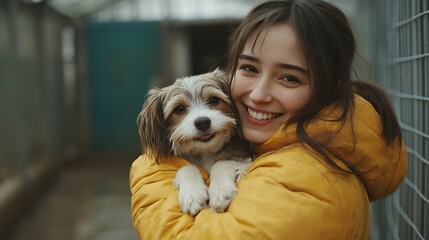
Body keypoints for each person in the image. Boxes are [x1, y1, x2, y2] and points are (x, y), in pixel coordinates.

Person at [130, 0, 407, 239]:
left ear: (328, 87)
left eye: (289, 78)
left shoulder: (311, 177)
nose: (259, 95)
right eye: (249, 68)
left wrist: (149, 173)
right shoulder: (274, 146)